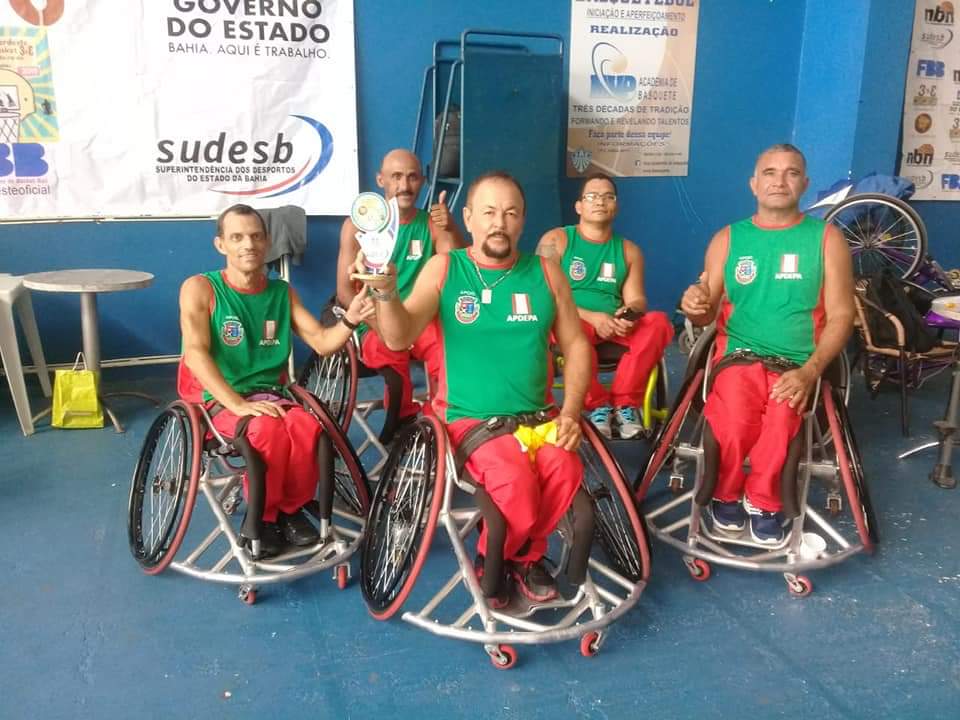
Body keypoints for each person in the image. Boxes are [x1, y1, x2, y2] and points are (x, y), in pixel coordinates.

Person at [357, 170, 594, 606]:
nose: (498, 222)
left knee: (565, 468)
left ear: (523, 220)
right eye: (488, 212)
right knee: (516, 484)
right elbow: (398, 336)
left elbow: (578, 347)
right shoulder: (445, 268)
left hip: (538, 418)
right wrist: (387, 295)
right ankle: (499, 557)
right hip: (468, 420)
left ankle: (519, 555)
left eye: (510, 213)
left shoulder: (547, 274)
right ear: (468, 218)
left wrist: (571, 412)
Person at [680, 144, 854, 545]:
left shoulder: (827, 240)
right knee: (735, 420)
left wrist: (810, 371)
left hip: (795, 364)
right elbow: (705, 311)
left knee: (780, 422)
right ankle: (724, 494)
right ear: (753, 184)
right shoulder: (728, 238)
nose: (780, 180)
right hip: (738, 358)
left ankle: (763, 500)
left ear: (805, 184)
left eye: (791, 173)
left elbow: (842, 315)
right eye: (770, 172)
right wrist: (694, 306)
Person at [180, 203, 374, 557]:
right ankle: (262, 520)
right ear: (220, 245)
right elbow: (195, 354)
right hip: (218, 399)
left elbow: (322, 342)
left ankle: (289, 511)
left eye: (255, 236)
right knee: (266, 431)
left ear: (267, 242)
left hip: (270, 395)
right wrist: (238, 404)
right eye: (236, 237)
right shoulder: (200, 288)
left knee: (305, 426)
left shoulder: (281, 293)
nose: (248, 245)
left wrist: (349, 321)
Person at [538, 172, 674, 439]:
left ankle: (625, 405)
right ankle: (598, 407)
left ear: (616, 206)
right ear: (579, 206)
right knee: (566, 325)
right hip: (572, 322)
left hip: (612, 326)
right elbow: (543, 293)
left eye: (607, 196)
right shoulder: (557, 240)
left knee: (658, 321)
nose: (600, 202)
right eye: (592, 196)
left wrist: (629, 314)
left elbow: (636, 298)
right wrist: (591, 317)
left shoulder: (629, 250)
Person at [335, 149, 464, 425]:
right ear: (380, 180)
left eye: (412, 177)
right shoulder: (355, 226)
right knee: (391, 350)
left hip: (419, 319)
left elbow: (456, 271)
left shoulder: (432, 224)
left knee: (450, 347)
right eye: (396, 177)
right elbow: (345, 292)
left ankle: (444, 417)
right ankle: (401, 423)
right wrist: (376, 321)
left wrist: (452, 229)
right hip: (374, 319)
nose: (404, 186)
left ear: (423, 181)